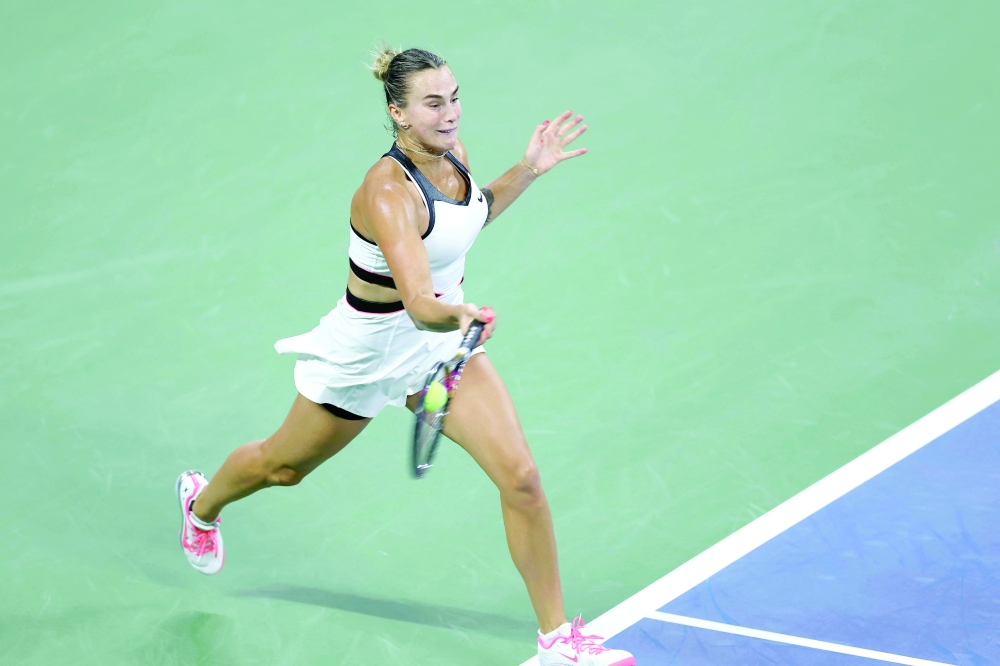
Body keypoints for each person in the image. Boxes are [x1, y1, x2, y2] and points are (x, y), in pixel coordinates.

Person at [174, 45, 635, 666]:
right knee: (281, 469)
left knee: (521, 479)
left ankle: (558, 641)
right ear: (398, 112)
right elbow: (419, 300)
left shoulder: (457, 161)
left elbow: (467, 220)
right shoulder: (386, 192)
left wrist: (527, 169)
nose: (450, 114)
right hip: (370, 350)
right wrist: (463, 313)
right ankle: (202, 504)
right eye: (433, 103)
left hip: (439, 349)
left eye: (454, 97)